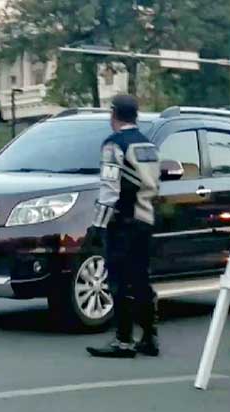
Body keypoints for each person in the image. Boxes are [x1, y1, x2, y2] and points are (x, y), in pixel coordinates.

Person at [86, 94, 161, 358]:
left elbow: (110, 188)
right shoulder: (148, 145)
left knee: (119, 281)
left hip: (122, 223)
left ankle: (123, 340)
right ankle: (149, 338)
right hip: (145, 219)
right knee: (141, 279)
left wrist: (97, 225)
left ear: (114, 115)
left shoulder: (113, 145)